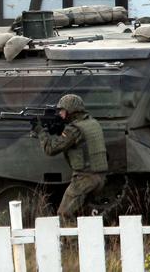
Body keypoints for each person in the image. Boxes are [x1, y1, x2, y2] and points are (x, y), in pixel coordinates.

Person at [33, 94, 107, 224]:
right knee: (82, 215)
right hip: (99, 177)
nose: (60, 114)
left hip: (84, 179)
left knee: (64, 214)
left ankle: (72, 244)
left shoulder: (74, 129)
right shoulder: (91, 122)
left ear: (71, 111)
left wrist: (40, 131)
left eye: (62, 111)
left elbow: (50, 149)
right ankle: (88, 242)